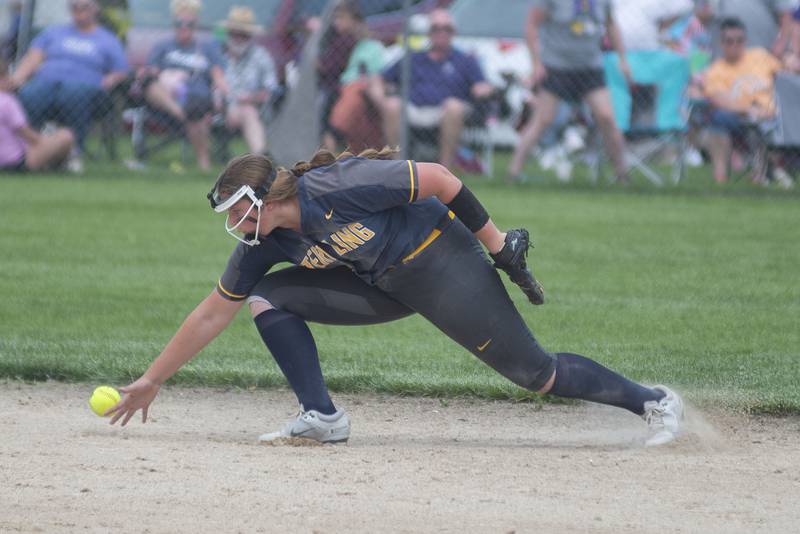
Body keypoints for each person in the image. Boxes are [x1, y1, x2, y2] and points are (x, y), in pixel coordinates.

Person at [106, 147, 684, 448]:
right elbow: (213, 312)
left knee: (535, 374)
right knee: (266, 295)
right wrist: (154, 378)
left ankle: (653, 402)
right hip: (385, 286)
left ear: (260, 198)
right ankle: (322, 417)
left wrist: (497, 243)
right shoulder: (264, 243)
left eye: (235, 207)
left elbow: (438, 178)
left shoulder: (334, 187)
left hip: (443, 262)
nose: (231, 220)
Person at [508, 0, 632, 183]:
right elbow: (531, 26)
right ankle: (513, 172)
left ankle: (622, 174)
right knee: (543, 120)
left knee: (606, 117)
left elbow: (611, 24)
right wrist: (536, 63)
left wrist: (623, 58)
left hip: (590, 68)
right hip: (557, 68)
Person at [7, 0, 128, 173]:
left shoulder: (108, 39)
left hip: (87, 89)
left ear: (95, 9)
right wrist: (17, 78)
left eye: (84, 6)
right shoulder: (53, 33)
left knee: (72, 94)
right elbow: (33, 58)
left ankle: (72, 152)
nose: (78, 11)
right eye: (74, 7)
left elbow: (121, 70)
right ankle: (32, 149)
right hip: (47, 83)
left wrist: (109, 80)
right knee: (30, 93)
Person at [368, 9, 495, 169]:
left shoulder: (465, 60)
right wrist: (380, 97)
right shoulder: (414, 57)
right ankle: (398, 168)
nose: (441, 33)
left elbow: (482, 86)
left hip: (446, 112)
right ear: (428, 32)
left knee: (454, 107)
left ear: (453, 33)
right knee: (392, 104)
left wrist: (484, 90)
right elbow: (379, 78)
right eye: (436, 28)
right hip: (412, 108)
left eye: (446, 29)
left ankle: (445, 170)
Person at [137, 0, 227, 170]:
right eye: (180, 23)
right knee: (152, 86)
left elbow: (218, 75)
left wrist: (220, 92)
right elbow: (151, 71)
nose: (184, 27)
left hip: (197, 97)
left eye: (189, 24)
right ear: (174, 24)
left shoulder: (207, 47)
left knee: (197, 109)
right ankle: (184, 115)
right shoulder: (163, 46)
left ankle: (203, 162)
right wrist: (167, 75)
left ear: (195, 25)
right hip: (166, 98)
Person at [702, 17, 783, 183]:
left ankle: (764, 173)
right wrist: (749, 110)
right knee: (717, 119)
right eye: (729, 41)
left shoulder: (760, 56)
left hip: (774, 114)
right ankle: (721, 178)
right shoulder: (716, 70)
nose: (735, 46)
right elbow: (717, 99)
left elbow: (784, 76)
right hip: (738, 117)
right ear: (721, 43)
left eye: (739, 41)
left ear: (745, 41)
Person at [327, 0, 386, 152]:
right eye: (335, 18)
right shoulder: (339, 41)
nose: (336, 23)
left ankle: (334, 134)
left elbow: (374, 75)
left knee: (357, 90)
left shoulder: (370, 46)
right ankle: (334, 136)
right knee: (354, 92)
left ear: (354, 21)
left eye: (340, 18)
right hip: (338, 89)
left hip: (357, 90)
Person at [220, 6, 278, 156]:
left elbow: (270, 90)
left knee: (247, 111)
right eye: (235, 33)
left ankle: (259, 157)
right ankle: (260, 158)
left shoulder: (261, 56)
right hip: (219, 107)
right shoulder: (218, 55)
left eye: (243, 34)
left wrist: (250, 98)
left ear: (250, 35)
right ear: (228, 33)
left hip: (252, 107)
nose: (238, 38)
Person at [0, 58, 74, 172]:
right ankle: (55, 166)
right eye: (6, 77)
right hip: (16, 163)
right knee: (65, 136)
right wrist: (46, 141)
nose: (10, 80)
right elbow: (25, 133)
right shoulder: (7, 101)